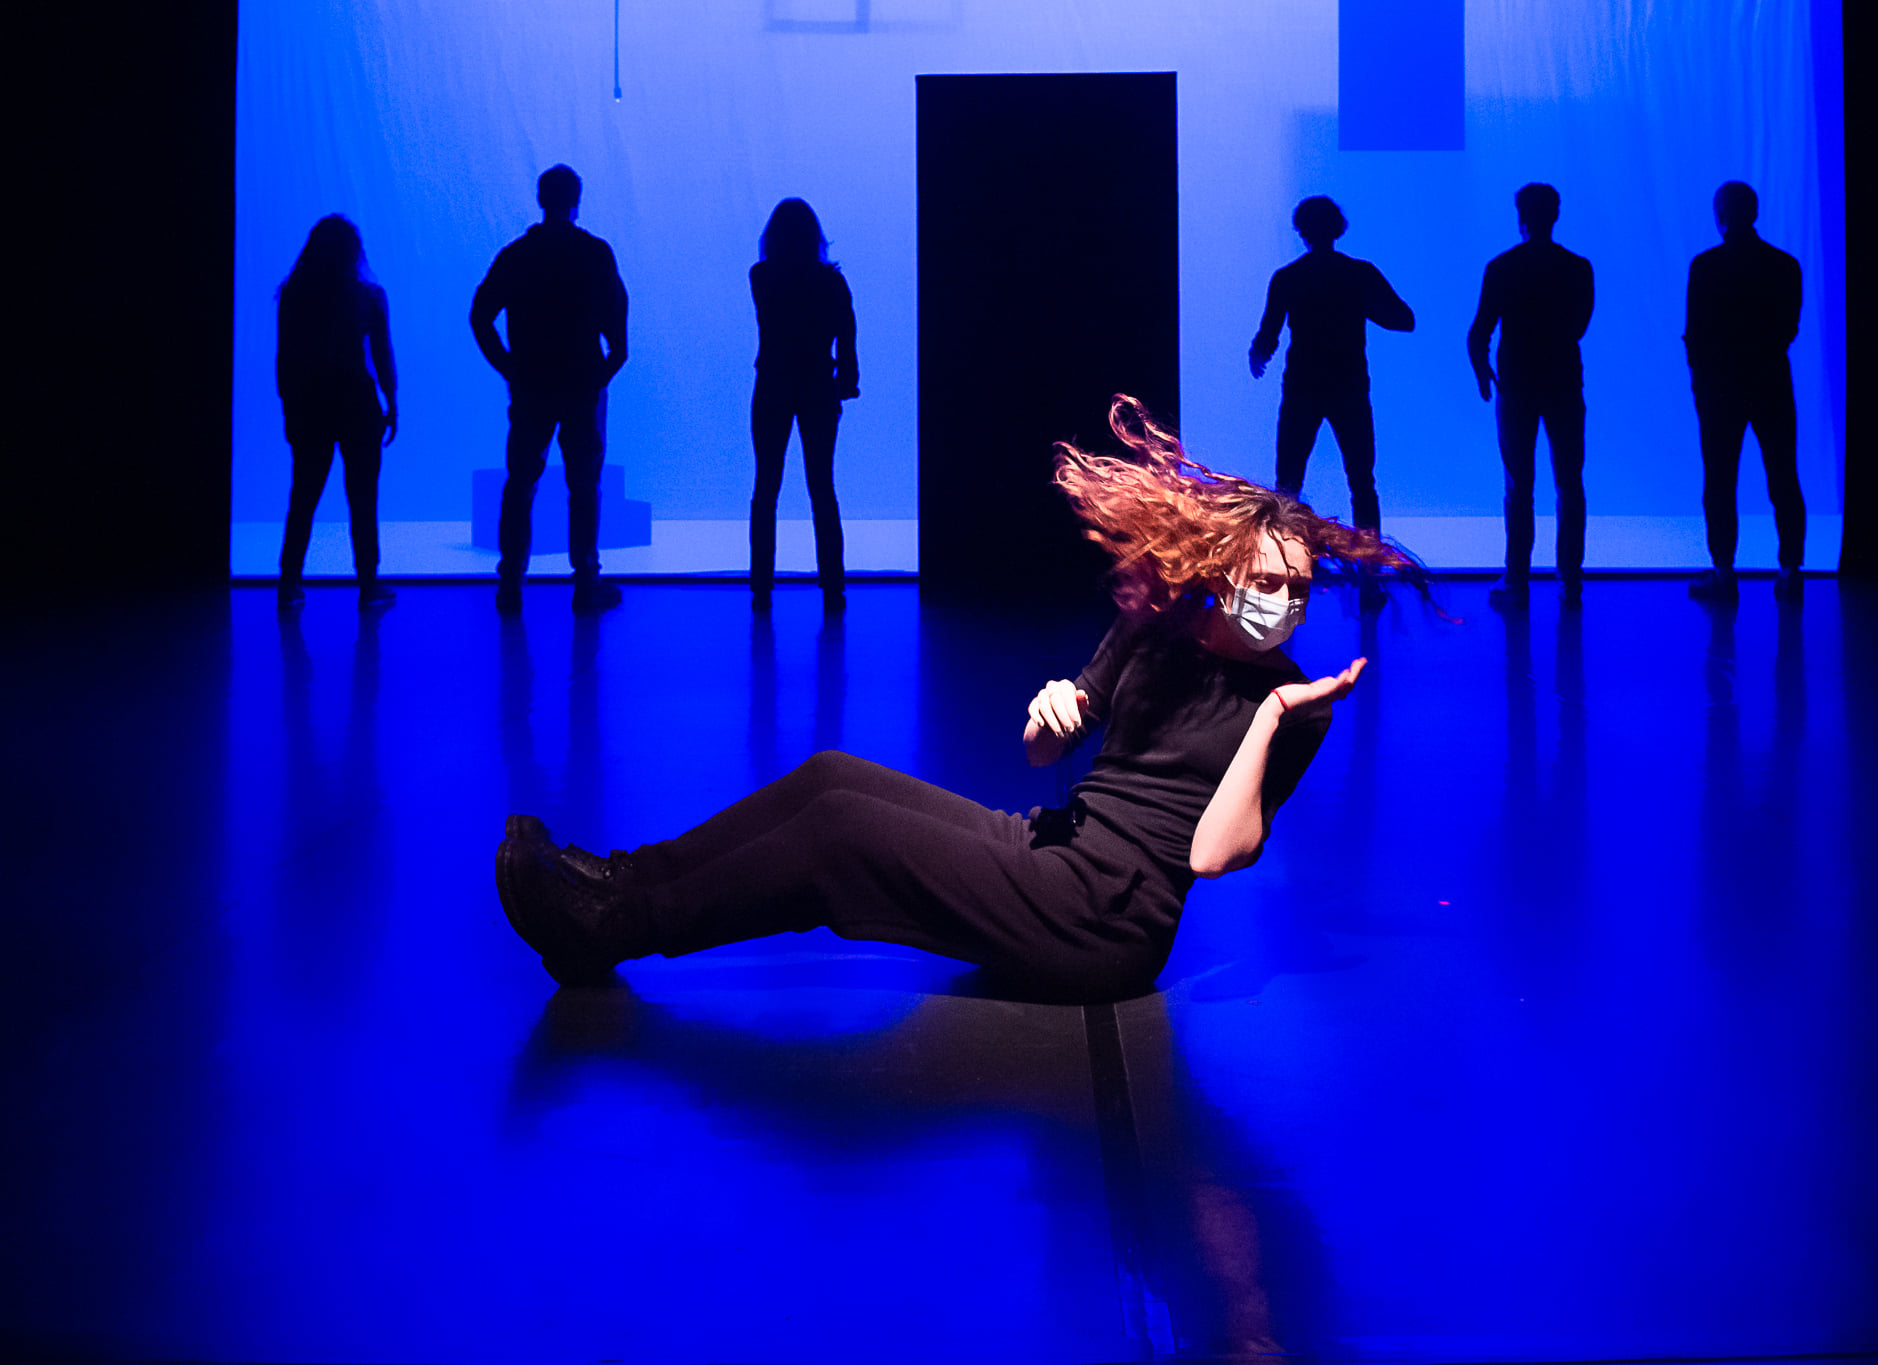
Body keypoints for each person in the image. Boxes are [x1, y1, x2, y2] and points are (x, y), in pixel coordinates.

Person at [494, 396, 1414, 1000]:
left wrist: (1265, 721)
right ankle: (615, 876)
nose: (1280, 604)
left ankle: (608, 928)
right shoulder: (1159, 626)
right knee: (831, 777)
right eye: (1264, 580)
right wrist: (1051, 711)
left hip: (1109, 919)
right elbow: (1043, 755)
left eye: (1297, 590)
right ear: (1220, 571)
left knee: (840, 837)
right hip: (1062, 847)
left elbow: (1215, 856)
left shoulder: (1300, 704)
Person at [471, 164, 629, 614]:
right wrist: (601, 374)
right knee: (584, 483)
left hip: (531, 383)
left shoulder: (518, 254)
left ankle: (511, 583)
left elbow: (480, 314)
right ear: (576, 199)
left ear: (541, 199)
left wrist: (508, 366)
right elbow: (619, 332)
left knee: (520, 480)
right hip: (581, 382)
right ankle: (586, 581)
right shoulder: (595, 253)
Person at [1249, 195, 1414, 537]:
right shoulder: (1359, 273)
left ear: (1301, 231)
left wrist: (1258, 355)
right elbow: (1404, 319)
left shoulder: (1288, 277)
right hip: (1348, 386)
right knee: (1362, 482)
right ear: (1337, 228)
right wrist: (1364, 306)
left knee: (1288, 483)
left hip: (1302, 387)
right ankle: (1370, 577)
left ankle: (1282, 569)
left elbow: (1268, 334)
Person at [1466, 183, 1595, 607]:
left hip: (1517, 384)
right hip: (1562, 382)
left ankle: (1517, 579)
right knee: (1569, 482)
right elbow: (1578, 327)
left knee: (1519, 485)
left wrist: (1484, 371)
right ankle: (1570, 579)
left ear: (1520, 215)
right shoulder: (1578, 268)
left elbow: (1480, 329)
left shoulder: (1502, 266)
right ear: (1555, 214)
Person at [1683, 180, 1805, 603]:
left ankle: (1723, 572)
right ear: (1754, 213)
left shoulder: (1705, 267)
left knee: (1719, 481)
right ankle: (1790, 570)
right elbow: (1788, 329)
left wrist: (1702, 384)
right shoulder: (1784, 265)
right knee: (1784, 477)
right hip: (1771, 381)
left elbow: (1695, 337)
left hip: (1720, 390)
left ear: (1720, 216)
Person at [275, 214, 397, 613]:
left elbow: (285, 360)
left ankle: (290, 581)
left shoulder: (294, 295)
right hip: (358, 404)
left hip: (310, 404)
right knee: (363, 497)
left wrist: (289, 409)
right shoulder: (370, 297)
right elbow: (381, 357)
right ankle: (368, 583)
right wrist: (392, 401)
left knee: (304, 494)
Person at [748, 198, 859, 612]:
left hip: (773, 383)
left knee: (766, 487)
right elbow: (847, 335)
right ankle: (833, 587)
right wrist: (846, 383)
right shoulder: (832, 282)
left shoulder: (761, 276)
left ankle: (761, 586)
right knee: (822, 488)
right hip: (818, 385)